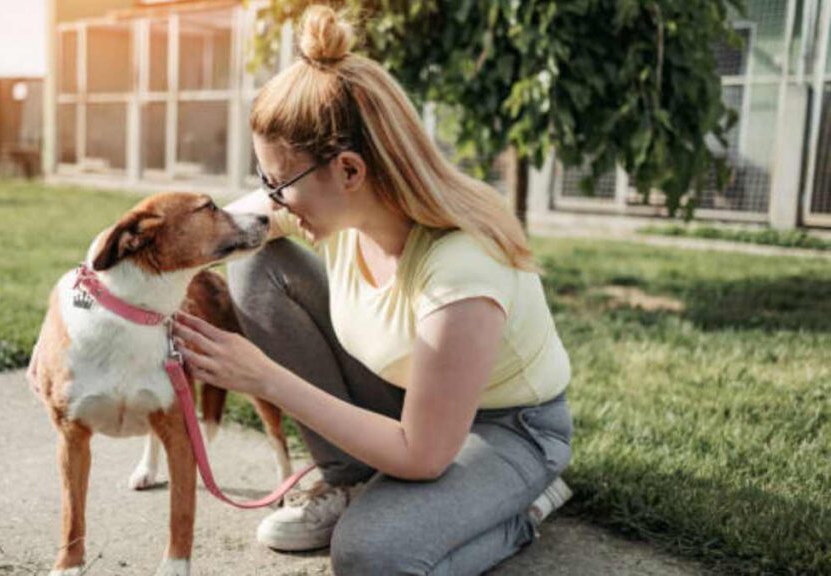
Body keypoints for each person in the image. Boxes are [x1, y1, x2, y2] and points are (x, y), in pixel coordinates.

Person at [171, 5, 574, 574]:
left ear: (351, 171)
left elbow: (425, 453)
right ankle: (350, 481)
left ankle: (520, 509)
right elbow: (240, 226)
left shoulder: (462, 266)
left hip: (507, 428)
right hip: (412, 399)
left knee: (373, 555)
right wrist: (144, 277)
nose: (272, 200)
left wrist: (263, 377)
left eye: (278, 183)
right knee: (257, 263)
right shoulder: (345, 211)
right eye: (266, 181)